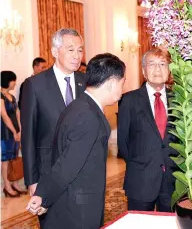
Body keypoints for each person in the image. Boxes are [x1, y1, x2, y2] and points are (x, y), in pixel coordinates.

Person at [26, 53, 126, 229]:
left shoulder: (80, 105)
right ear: (111, 83)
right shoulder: (88, 116)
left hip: (74, 200)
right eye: (122, 83)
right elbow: (67, 165)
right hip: (77, 208)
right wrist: (43, 195)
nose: (122, 89)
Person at [21, 28, 86, 200]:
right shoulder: (35, 85)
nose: (77, 55)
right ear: (55, 51)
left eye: (80, 50)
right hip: (48, 172)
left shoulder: (86, 83)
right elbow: (28, 137)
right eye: (70, 49)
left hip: (84, 172)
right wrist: (32, 180)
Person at [117, 48, 176, 212]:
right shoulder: (128, 100)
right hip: (140, 179)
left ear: (169, 70)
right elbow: (123, 142)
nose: (158, 69)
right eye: (152, 64)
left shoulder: (179, 100)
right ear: (144, 70)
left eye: (162, 64)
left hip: (173, 181)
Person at [1, 71, 27, 197]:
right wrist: (13, 132)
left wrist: (20, 130)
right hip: (5, 133)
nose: (15, 82)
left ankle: (15, 184)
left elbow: (17, 113)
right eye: (13, 80)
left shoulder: (12, 96)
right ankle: (7, 186)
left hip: (16, 131)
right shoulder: (0, 97)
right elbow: (5, 117)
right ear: (7, 81)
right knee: (6, 160)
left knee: (15, 158)